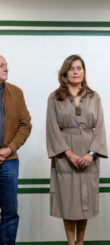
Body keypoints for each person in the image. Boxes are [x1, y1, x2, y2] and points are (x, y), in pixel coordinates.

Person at [46, 55, 108, 245]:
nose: (75, 71)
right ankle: (70, 243)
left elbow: (101, 127)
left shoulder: (94, 96)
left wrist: (91, 154)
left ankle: (81, 242)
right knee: (68, 200)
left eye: (79, 68)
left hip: (89, 154)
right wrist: (68, 153)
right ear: (65, 72)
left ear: (84, 72)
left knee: (85, 200)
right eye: (71, 68)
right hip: (65, 156)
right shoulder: (55, 97)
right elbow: (52, 128)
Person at [0, 55, 32, 245]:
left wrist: (9, 148)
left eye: (6, 65)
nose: (6, 69)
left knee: (10, 213)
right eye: (1, 66)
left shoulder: (16, 93)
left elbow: (25, 124)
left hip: (9, 161)